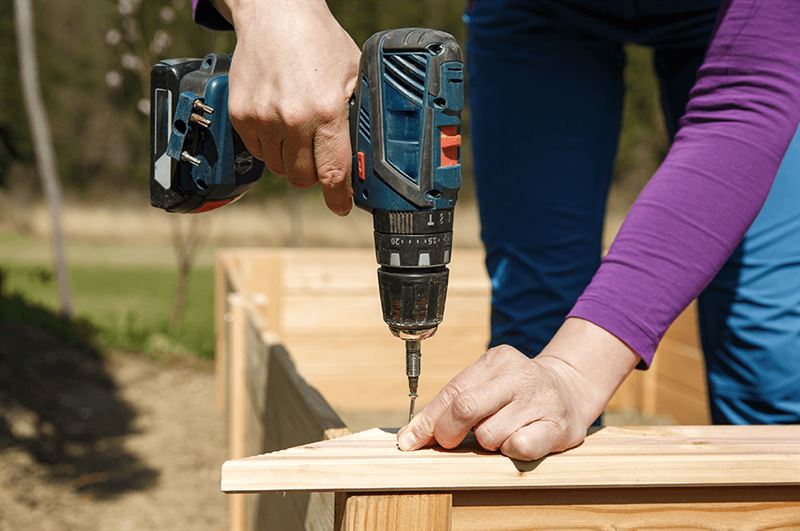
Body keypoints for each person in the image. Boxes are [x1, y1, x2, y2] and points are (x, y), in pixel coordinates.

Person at [192, 0, 800, 460]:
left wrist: (576, 372)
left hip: (742, 22)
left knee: (767, 350)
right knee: (530, 354)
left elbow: (745, 101)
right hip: (540, 12)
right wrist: (269, 11)